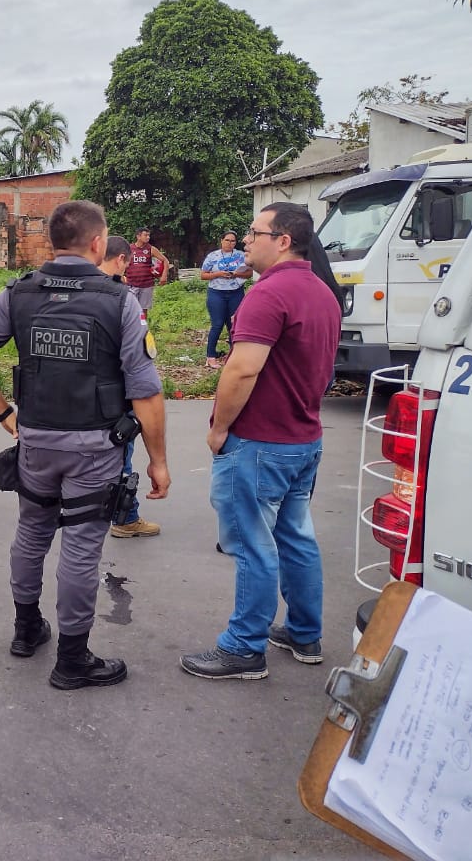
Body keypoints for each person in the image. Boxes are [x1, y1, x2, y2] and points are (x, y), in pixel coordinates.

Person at [0, 200, 170, 691]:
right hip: (94, 448)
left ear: (50, 241)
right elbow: (146, 392)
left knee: (32, 531)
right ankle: (73, 659)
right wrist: (158, 461)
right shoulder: (120, 302)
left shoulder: (18, 293)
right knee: (80, 545)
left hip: (34, 440)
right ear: (98, 243)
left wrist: (5, 414)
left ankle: (26, 629)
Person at [180, 202, 342, 681]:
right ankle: (304, 632)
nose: (247, 240)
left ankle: (244, 647)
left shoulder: (269, 294)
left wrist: (219, 428)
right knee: (295, 537)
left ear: (284, 240)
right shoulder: (323, 294)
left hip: (260, 442)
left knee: (252, 544)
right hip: (303, 440)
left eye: (255, 233)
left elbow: (243, 368)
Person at [99, 235, 162, 539]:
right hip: (116, 402)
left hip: (74, 406)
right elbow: (142, 378)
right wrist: (159, 461)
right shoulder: (123, 299)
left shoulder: (73, 294)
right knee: (120, 461)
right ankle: (125, 518)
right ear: (122, 259)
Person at [200, 230, 251, 369]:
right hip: (217, 293)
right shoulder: (213, 256)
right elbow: (203, 275)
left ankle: (234, 355)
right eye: (227, 240)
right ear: (221, 240)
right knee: (217, 324)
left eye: (233, 241)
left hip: (236, 292)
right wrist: (217, 274)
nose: (230, 243)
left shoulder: (241, 255)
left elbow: (249, 273)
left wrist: (236, 274)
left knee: (234, 324)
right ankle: (210, 357)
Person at [123, 227, 169, 315]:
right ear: (138, 236)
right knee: (130, 309)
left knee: (143, 310)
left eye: (149, 235)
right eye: (145, 235)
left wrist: (164, 276)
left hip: (146, 284)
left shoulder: (150, 249)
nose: (148, 237)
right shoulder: (129, 249)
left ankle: (143, 326)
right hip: (131, 284)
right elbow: (122, 263)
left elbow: (165, 261)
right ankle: (132, 327)